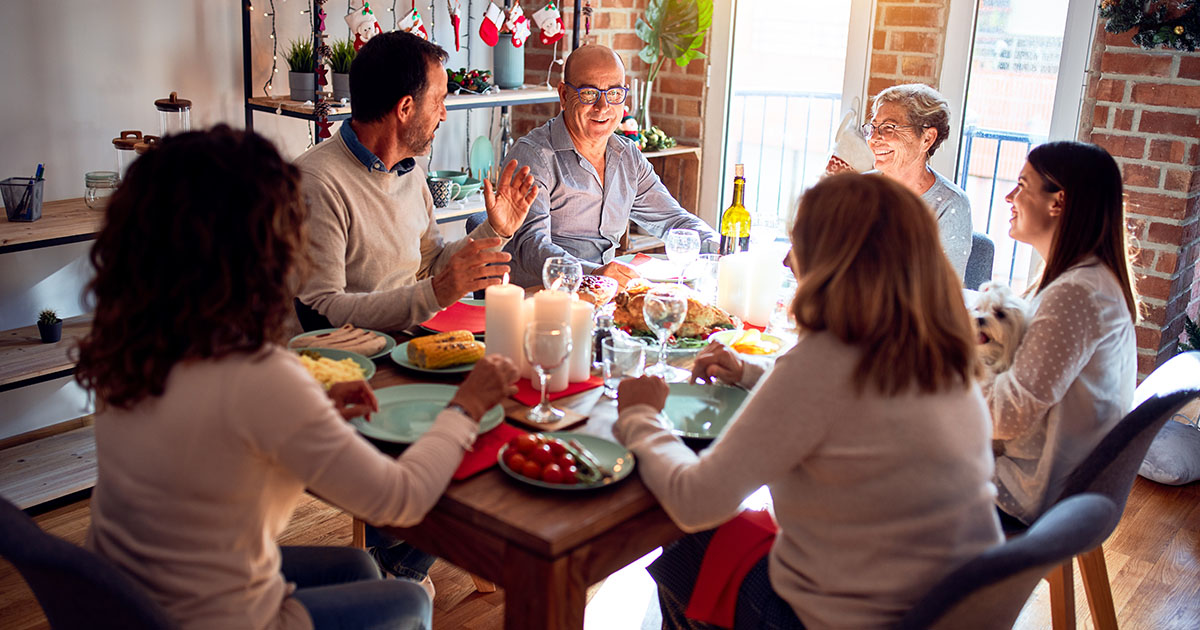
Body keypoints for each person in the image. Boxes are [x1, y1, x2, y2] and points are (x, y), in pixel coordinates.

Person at [75, 125, 521, 630]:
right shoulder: (259, 377)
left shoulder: (128, 347)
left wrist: (313, 405)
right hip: (217, 619)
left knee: (359, 567)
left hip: (124, 599)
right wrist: (468, 404)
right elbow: (402, 500)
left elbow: (215, 436)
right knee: (409, 603)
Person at [614, 173, 1002, 629]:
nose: (787, 260)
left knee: (687, 539)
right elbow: (849, 411)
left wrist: (640, 416)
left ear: (837, 260)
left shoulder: (825, 360)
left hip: (841, 621)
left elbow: (696, 500)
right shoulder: (940, 352)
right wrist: (752, 373)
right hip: (948, 609)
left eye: (799, 243)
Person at [293, 31, 538, 332]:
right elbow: (323, 310)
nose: (444, 115)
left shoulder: (410, 173)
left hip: (413, 340)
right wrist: (433, 294)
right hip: (355, 354)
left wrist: (496, 230)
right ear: (405, 108)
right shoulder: (316, 182)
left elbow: (429, 267)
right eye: (439, 101)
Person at [987, 141, 1137, 524]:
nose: (1009, 196)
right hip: (1052, 478)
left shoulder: (1075, 294)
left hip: (1026, 492)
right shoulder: (1083, 280)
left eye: (1022, 185)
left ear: (1058, 202)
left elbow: (1008, 416)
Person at [500, 44, 719, 288]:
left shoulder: (628, 156)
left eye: (614, 93)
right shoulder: (534, 157)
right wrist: (594, 274)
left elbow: (674, 221)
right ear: (563, 95)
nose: (603, 107)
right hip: (541, 297)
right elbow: (531, 245)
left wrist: (720, 246)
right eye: (589, 93)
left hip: (603, 294)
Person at [865, 83, 972, 279]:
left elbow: (945, 289)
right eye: (873, 127)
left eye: (889, 127)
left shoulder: (950, 204)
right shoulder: (856, 190)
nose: (874, 139)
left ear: (927, 138)